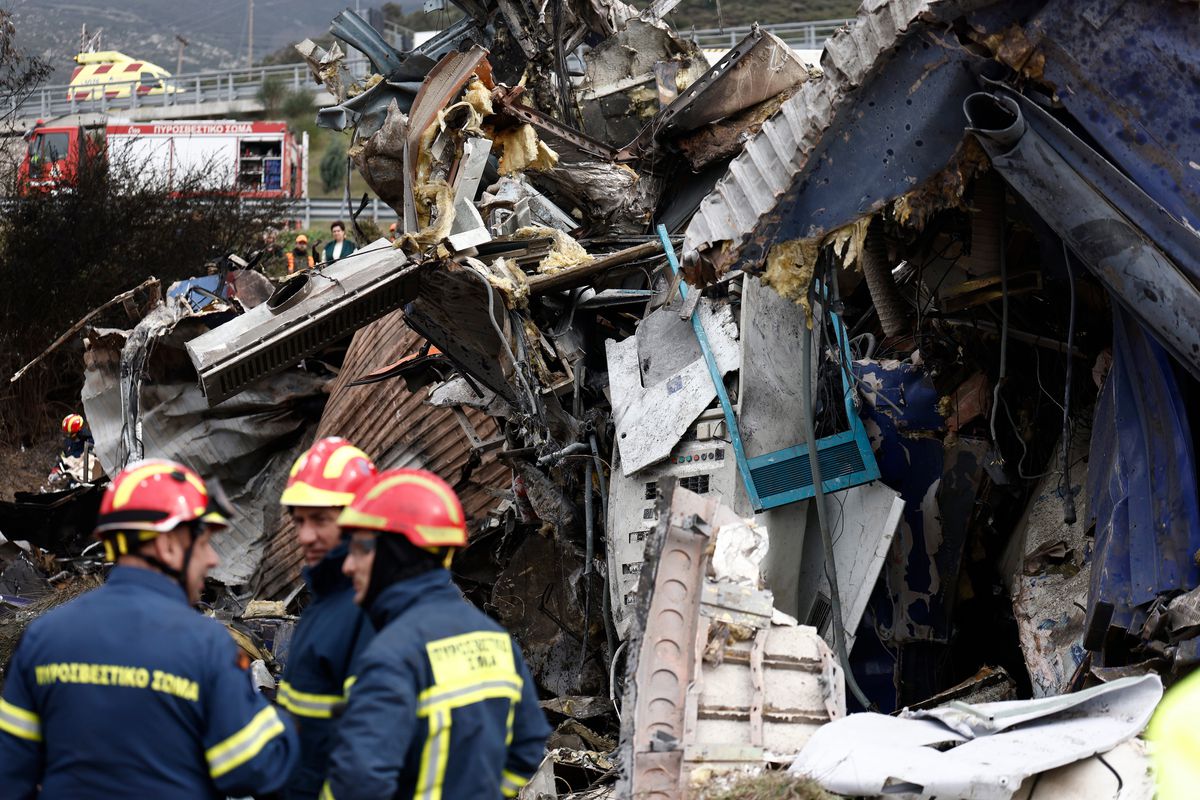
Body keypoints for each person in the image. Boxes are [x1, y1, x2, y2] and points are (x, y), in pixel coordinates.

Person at [0, 459, 298, 798]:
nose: (212, 559)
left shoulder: (42, 640)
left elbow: (10, 774)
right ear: (167, 544)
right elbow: (256, 768)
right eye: (202, 542)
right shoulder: (206, 647)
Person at [320, 469, 549, 800]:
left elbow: (356, 784)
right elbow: (529, 751)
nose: (348, 566)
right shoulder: (496, 642)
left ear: (393, 554)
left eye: (359, 550)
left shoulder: (388, 656)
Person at [277, 437, 378, 800]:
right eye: (299, 520)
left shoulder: (368, 610)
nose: (305, 536)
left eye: (320, 519)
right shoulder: (327, 603)